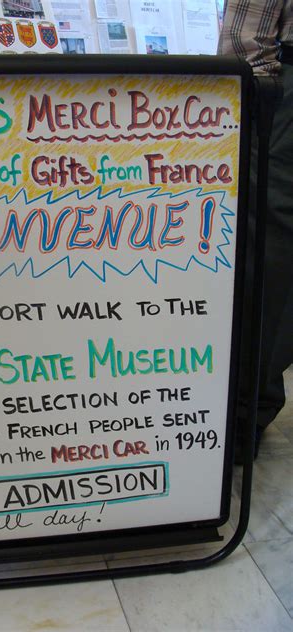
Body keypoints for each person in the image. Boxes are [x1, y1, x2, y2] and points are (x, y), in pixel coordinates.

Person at [218, 1, 293, 458]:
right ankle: (249, 407)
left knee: (268, 246)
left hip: (278, 85)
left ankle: (241, 413)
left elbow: (248, 39)